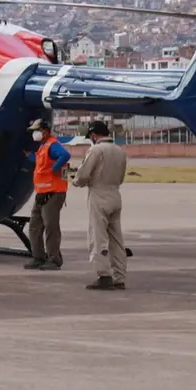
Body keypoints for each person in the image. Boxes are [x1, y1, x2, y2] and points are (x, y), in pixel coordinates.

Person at [71, 120, 128, 290]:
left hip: (99, 194)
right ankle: (120, 276)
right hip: (115, 194)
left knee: (98, 236)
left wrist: (76, 181)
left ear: (94, 135)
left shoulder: (96, 150)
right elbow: (122, 177)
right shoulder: (120, 151)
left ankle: (104, 275)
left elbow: (84, 174)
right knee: (116, 239)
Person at [23, 118, 71, 271]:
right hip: (42, 193)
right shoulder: (43, 147)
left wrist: (54, 170)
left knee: (50, 226)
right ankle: (38, 257)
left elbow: (65, 155)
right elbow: (40, 163)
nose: (34, 134)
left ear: (45, 131)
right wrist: (29, 156)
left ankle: (54, 259)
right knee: (34, 226)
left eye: (36, 131)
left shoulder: (52, 145)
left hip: (53, 193)